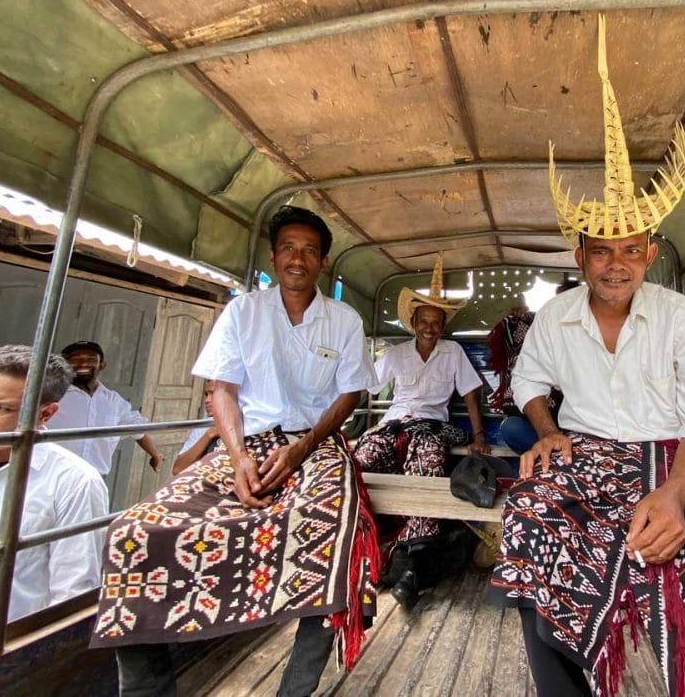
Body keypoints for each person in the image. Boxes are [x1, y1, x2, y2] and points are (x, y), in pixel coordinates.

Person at [489, 15, 685, 697]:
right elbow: (528, 378)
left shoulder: (681, 317)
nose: (616, 263)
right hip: (585, 455)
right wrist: (550, 433)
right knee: (527, 528)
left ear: (649, 252)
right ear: (580, 255)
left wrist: (674, 497)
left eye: (630, 249)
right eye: (601, 250)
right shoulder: (555, 317)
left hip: (675, 459)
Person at [91, 206, 380, 697]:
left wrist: (300, 451)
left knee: (339, 539)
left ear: (324, 262)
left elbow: (349, 394)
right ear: (273, 256)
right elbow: (222, 389)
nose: (297, 258)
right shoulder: (243, 311)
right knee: (132, 533)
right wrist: (240, 456)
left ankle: (294, 688)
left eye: (310, 250)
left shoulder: (344, 320)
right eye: (288, 247)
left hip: (317, 444)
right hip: (244, 443)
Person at [353, 251, 487, 607]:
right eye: (423, 321)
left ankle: (414, 554)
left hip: (433, 425)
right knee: (363, 457)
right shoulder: (395, 355)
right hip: (396, 423)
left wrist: (478, 437)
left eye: (436, 322)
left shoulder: (453, 351)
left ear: (443, 326)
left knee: (427, 456)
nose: (430, 327)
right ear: (413, 322)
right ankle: (365, 545)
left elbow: (471, 394)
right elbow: (363, 386)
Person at [0, 345, 108, 636]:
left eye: (1, 408)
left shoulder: (74, 482)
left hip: (0, 657)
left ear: (45, 413)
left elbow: (72, 596)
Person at [488, 280, 580, 454]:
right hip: (542, 421)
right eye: (559, 301)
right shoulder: (542, 325)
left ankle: (557, 461)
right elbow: (526, 378)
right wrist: (519, 315)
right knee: (512, 427)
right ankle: (553, 458)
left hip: (582, 425)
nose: (564, 307)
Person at [47, 341, 165, 476]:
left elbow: (136, 428)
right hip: (53, 477)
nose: (83, 364)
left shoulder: (114, 401)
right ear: (65, 366)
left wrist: (155, 454)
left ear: (102, 365)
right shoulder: (50, 395)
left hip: (95, 478)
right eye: (75, 359)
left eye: (91, 359)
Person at [172, 380, 219, 475]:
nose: (207, 400)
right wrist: (209, 434)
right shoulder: (204, 426)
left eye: (213, 394)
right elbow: (178, 469)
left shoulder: (248, 428)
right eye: (206, 394)